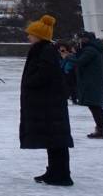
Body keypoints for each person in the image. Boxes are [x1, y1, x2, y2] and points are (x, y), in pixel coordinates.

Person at [21, 15, 74, 185]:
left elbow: (45, 74)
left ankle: (61, 174)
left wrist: (30, 82)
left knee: (56, 140)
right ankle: (54, 171)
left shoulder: (45, 50)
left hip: (49, 103)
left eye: (31, 34)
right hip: (48, 103)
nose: (28, 36)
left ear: (39, 36)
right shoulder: (44, 49)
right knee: (53, 139)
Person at [73, 31, 103, 139]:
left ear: (87, 39)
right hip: (94, 81)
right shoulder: (93, 49)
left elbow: (80, 62)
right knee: (95, 107)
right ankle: (101, 129)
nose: (80, 41)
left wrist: (67, 56)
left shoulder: (90, 50)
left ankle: (101, 130)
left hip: (92, 82)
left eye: (82, 39)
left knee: (95, 106)